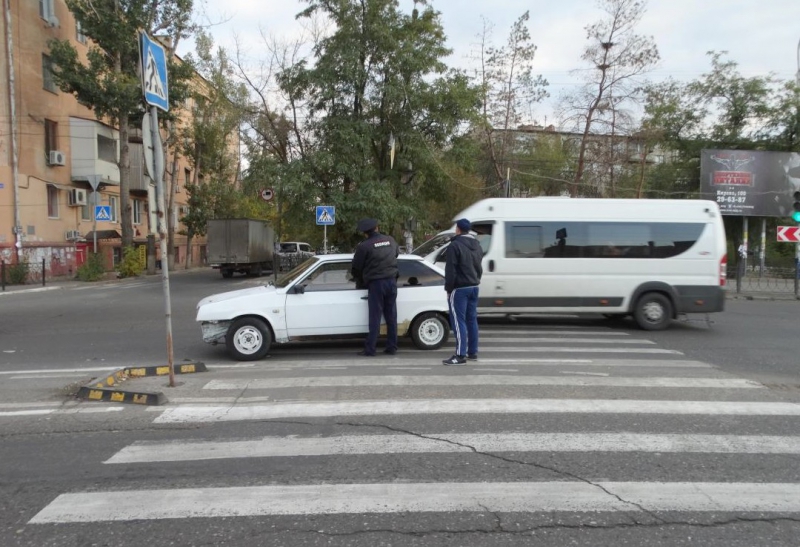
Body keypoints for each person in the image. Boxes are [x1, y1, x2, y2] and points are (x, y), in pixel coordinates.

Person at [351, 218, 399, 356]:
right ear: (377, 228)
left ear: (365, 233)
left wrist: (359, 280)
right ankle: (392, 347)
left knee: (375, 317)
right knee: (391, 316)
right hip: (391, 282)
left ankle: (370, 349)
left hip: (376, 284)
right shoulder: (390, 240)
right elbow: (396, 254)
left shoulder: (364, 246)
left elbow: (356, 267)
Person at [442, 218, 483, 366]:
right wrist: (476, 279)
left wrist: (448, 288)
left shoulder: (455, 245)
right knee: (472, 319)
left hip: (459, 288)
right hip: (474, 286)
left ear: (458, 229)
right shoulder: (477, 245)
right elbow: (479, 266)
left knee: (459, 322)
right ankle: (473, 352)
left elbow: (451, 270)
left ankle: (460, 355)